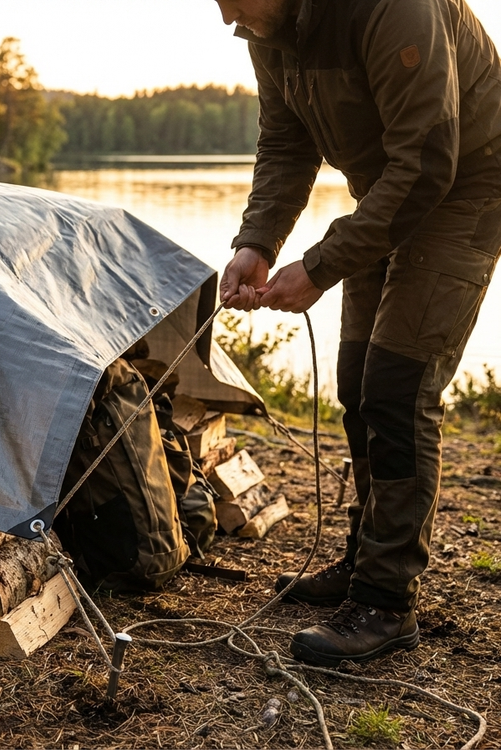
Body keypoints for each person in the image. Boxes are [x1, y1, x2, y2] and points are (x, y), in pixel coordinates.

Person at [215, 0, 501, 667]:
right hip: (388, 187)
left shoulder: (392, 7)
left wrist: (318, 267)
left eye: (238, 3)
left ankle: (385, 600)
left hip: (468, 181)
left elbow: (431, 158)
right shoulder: (266, 27)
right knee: (356, 380)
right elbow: (286, 144)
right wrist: (257, 243)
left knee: (398, 384)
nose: (229, 19)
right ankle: (363, 558)